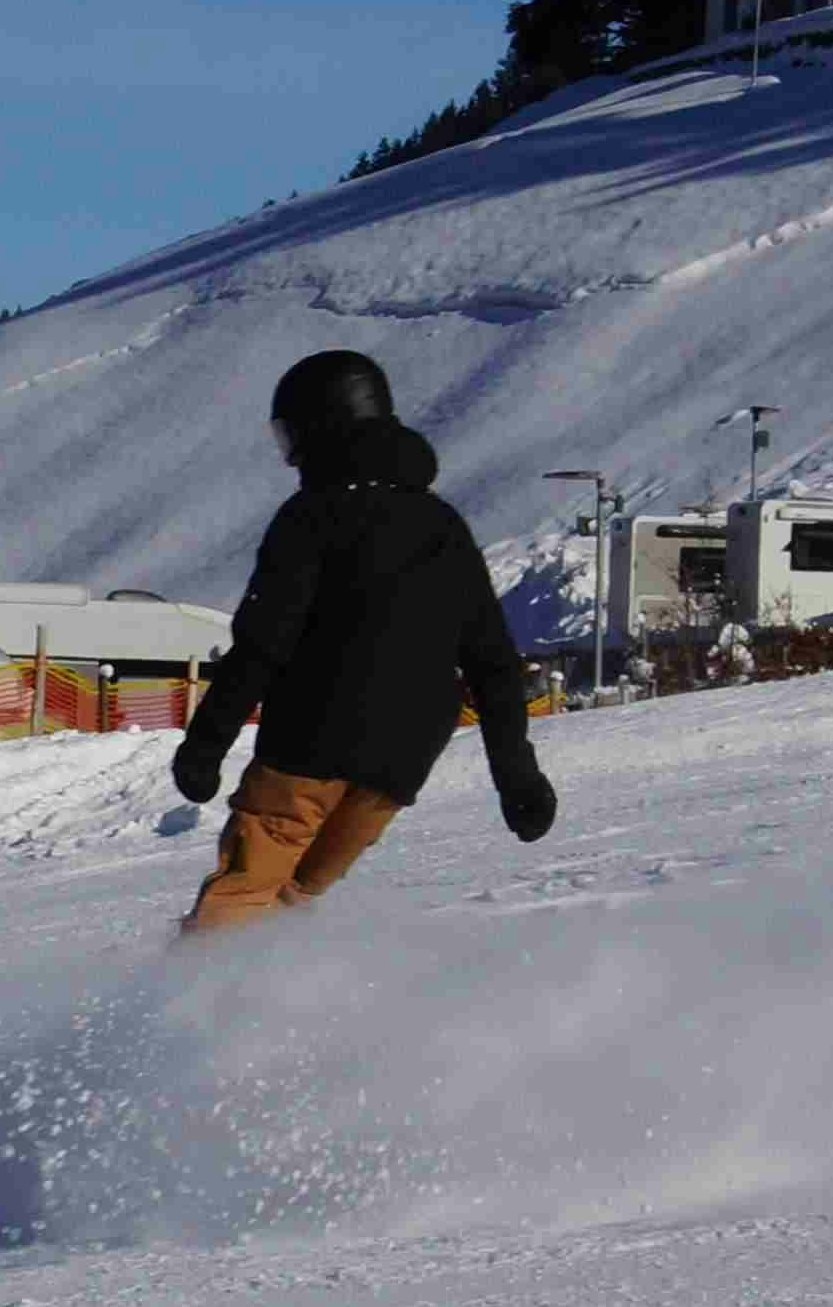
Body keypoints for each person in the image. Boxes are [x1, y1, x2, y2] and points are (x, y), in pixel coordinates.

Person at [170, 348, 556, 935]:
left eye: (290, 433)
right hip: (400, 761)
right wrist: (517, 776)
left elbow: (263, 643)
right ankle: (272, 1012)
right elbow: (492, 661)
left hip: (310, 744)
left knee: (243, 897)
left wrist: (205, 746)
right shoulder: (441, 524)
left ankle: (182, 1018)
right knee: (294, 898)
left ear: (317, 427)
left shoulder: (311, 516)